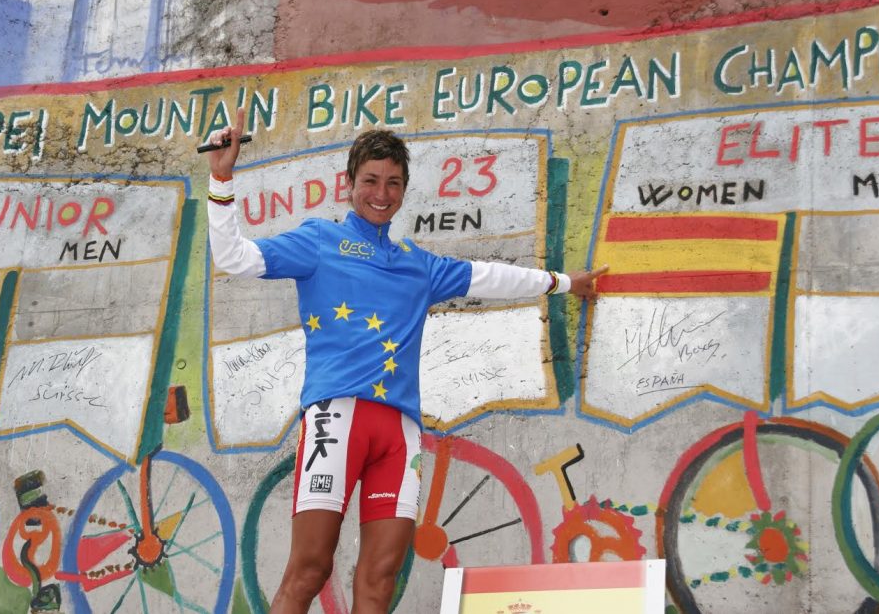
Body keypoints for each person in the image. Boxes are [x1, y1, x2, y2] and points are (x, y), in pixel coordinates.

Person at [205, 112, 607, 614]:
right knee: (309, 569)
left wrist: (565, 283)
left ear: (404, 190)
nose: (381, 193)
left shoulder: (419, 264)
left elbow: (490, 277)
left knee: (380, 580)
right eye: (371, 180)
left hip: (400, 434)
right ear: (349, 183)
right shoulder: (318, 241)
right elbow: (234, 258)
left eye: (393, 183)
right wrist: (221, 179)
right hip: (336, 419)